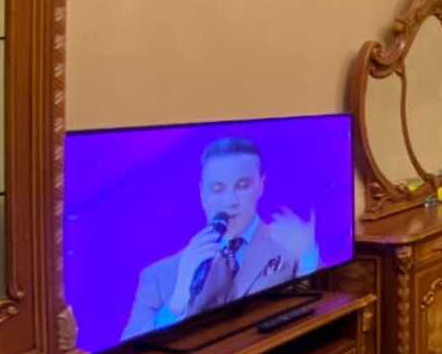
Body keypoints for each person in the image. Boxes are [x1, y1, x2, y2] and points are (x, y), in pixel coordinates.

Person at [121, 136, 319, 338]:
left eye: (242, 186)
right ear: (202, 194)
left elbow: (323, 305)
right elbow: (130, 347)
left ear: (262, 185)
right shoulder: (159, 275)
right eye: (217, 189)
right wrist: (178, 299)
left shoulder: (293, 247)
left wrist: (308, 256)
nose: (230, 201)